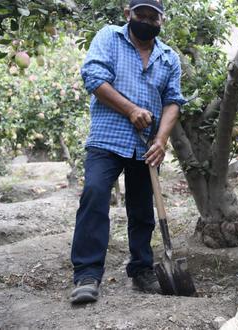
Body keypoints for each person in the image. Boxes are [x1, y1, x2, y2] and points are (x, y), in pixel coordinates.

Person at [70, 0, 186, 304]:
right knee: (94, 195)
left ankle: (141, 270)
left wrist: (161, 140)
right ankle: (87, 274)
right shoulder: (109, 37)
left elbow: (173, 101)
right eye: (141, 15)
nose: (146, 21)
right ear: (128, 15)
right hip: (107, 139)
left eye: (153, 17)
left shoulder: (169, 57)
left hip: (146, 145)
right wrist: (131, 109)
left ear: (161, 20)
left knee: (142, 211)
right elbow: (93, 78)